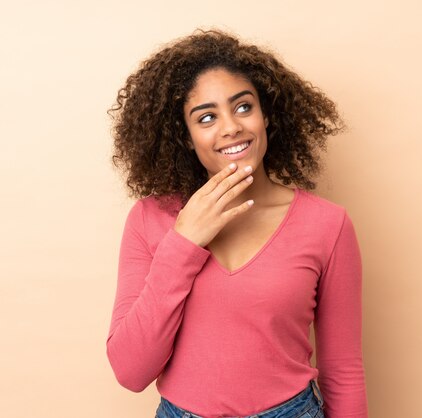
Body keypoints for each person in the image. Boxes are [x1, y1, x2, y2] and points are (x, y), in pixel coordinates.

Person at [106, 28, 368, 418]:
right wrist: (184, 243)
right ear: (185, 136)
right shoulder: (150, 220)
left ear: (267, 116)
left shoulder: (326, 225)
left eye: (243, 107)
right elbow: (130, 371)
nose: (231, 127)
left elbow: (343, 371)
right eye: (207, 117)